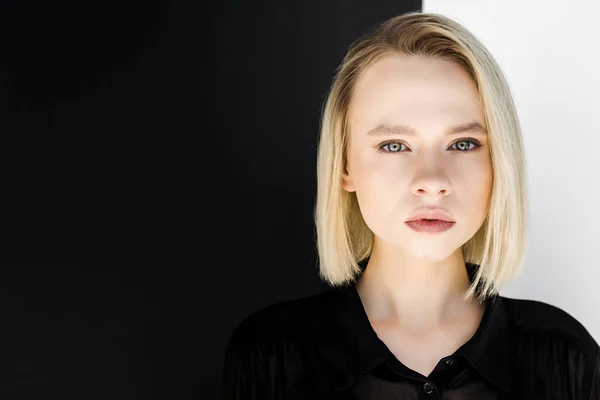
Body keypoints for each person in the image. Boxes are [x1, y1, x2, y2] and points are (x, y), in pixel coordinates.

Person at [220, 11, 600, 399]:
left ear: (499, 162)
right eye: (395, 145)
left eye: (463, 144)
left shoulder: (565, 358)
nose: (432, 182)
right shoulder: (269, 356)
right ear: (345, 165)